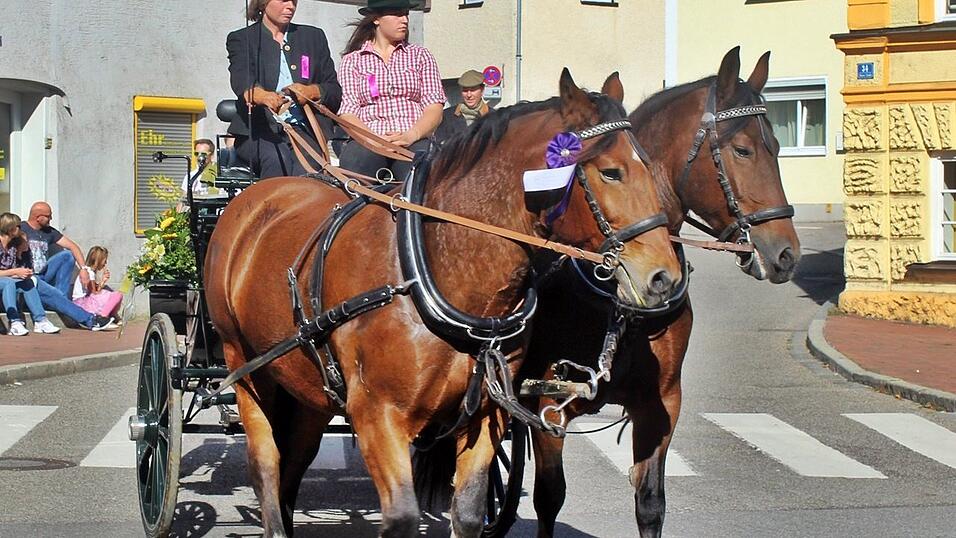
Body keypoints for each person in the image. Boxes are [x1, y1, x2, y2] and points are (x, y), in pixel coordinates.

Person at [226, 0, 342, 179]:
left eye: (294, 1)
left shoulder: (313, 37)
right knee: (276, 158)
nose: (291, 7)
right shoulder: (242, 38)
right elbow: (241, 80)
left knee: (309, 175)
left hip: (305, 131)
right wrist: (262, 96)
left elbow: (333, 90)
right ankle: (271, 207)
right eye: (283, 0)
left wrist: (311, 92)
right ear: (263, 3)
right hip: (258, 132)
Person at [337, 0, 446, 180]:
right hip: (368, 139)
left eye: (406, 14)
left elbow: (434, 108)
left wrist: (411, 135)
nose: (404, 20)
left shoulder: (421, 56)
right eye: (397, 14)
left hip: (413, 138)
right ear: (376, 18)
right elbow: (347, 112)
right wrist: (373, 139)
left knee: (420, 177)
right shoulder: (352, 61)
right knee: (355, 168)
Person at [0, 213, 60, 336]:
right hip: (5, 281)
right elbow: (9, 272)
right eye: (18, 226)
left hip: (5, 279)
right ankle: (14, 322)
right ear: (10, 227)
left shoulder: (12, 246)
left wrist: (21, 274)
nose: (20, 228)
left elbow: (23, 248)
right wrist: (15, 272)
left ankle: (40, 320)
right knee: (8, 282)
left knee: (28, 282)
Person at [19, 201, 90, 297]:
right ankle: (57, 299)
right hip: (28, 275)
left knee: (68, 255)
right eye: (48, 216)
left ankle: (61, 296)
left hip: (44, 273)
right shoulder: (21, 228)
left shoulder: (50, 232)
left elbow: (73, 247)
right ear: (38, 217)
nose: (51, 219)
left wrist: (84, 269)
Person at [434, 69, 492, 144]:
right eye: (465, 90)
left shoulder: (493, 116)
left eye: (473, 90)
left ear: (482, 90)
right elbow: (439, 146)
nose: (469, 95)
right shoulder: (447, 116)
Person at [72, 246, 123, 321]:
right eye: (104, 261)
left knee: (108, 292)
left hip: (82, 302)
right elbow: (94, 293)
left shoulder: (89, 271)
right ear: (98, 261)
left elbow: (92, 292)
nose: (105, 263)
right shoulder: (89, 273)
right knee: (117, 295)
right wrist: (102, 282)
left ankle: (110, 316)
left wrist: (103, 281)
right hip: (82, 303)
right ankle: (103, 318)